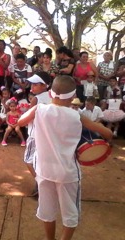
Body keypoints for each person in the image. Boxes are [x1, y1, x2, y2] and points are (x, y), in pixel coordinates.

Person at [17, 75, 113, 240]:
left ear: (51, 93)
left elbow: (20, 122)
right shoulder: (76, 116)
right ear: (74, 97)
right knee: (70, 212)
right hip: (67, 173)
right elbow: (108, 134)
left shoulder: (39, 109)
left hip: (43, 170)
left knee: (47, 210)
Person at [23, 72, 52, 197]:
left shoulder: (36, 99)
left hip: (35, 135)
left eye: (35, 85)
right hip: (49, 135)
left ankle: (41, 183)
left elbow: (28, 118)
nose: (32, 87)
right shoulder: (53, 97)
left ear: (44, 85)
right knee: (43, 161)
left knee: (28, 160)